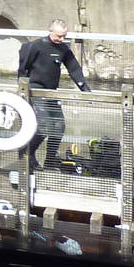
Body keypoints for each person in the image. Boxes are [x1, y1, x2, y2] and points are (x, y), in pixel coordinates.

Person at [18, 19, 91, 168]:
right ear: (50, 31)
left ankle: (50, 159)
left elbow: (74, 69)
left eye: (64, 36)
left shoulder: (63, 49)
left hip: (51, 91)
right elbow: (23, 69)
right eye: (59, 36)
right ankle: (28, 153)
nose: (61, 39)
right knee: (44, 125)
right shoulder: (35, 46)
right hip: (35, 89)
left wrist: (85, 89)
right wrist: (22, 90)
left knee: (59, 126)